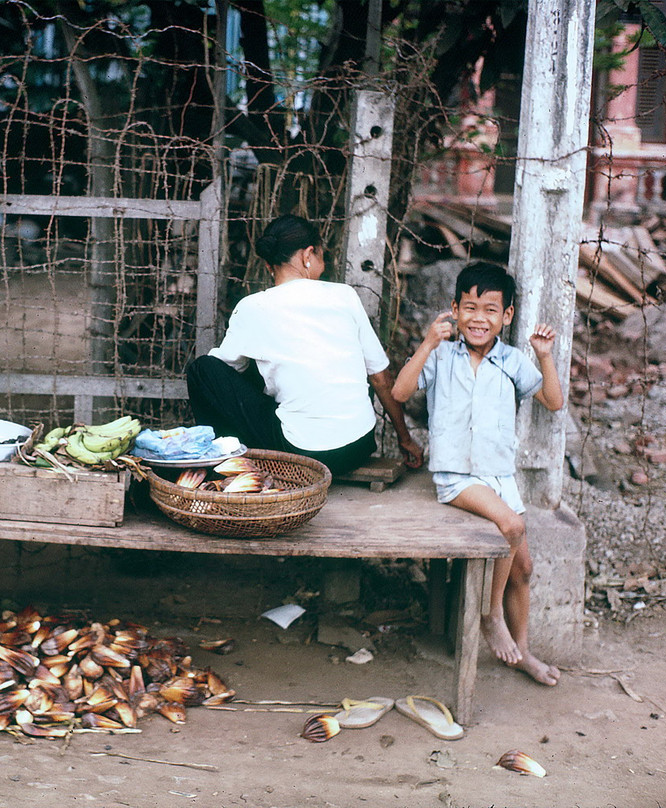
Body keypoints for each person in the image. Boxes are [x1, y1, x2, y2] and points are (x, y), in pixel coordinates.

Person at [391, 261, 564, 686]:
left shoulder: (512, 360)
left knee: (523, 569)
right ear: (455, 310)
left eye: (490, 310)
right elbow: (399, 391)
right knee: (512, 525)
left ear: (507, 316)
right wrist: (428, 342)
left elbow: (553, 401)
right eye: (469, 308)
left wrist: (544, 356)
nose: (478, 319)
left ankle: (523, 653)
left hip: (499, 477)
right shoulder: (442, 356)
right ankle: (490, 616)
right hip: (457, 476)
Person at [186, 214, 422, 475]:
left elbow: (221, 372)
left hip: (302, 453)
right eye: (322, 255)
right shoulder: (345, 295)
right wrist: (405, 439)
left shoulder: (253, 307)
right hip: (358, 446)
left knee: (203, 369)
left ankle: (221, 466)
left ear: (268, 265)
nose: (324, 263)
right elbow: (380, 378)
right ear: (308, 254)